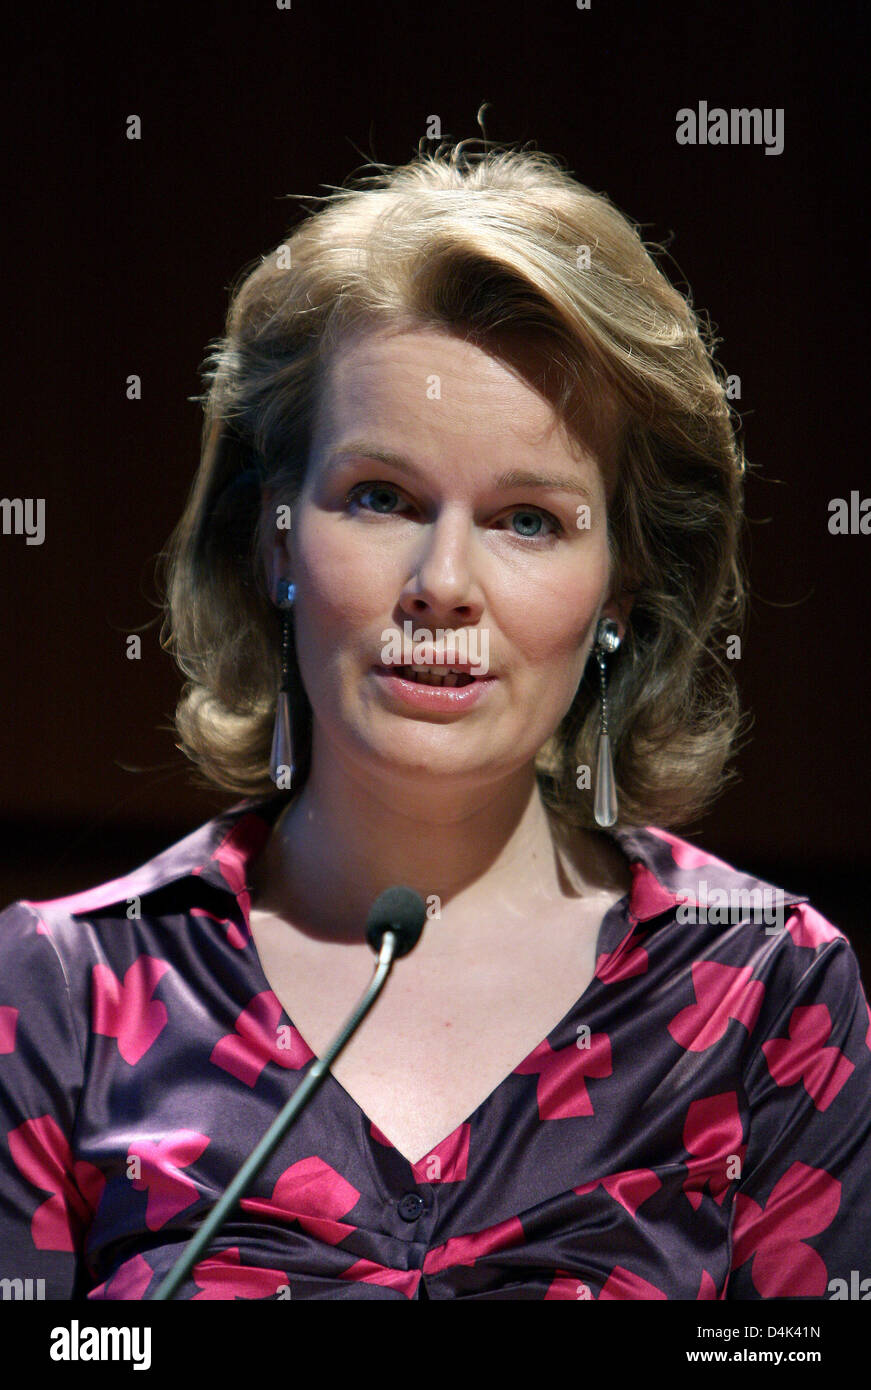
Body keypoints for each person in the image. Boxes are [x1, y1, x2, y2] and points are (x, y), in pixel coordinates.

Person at [1, 141, 868, 1302]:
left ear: (619, 587)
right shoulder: (63, 989)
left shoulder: (771, 991)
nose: (443, 581)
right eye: (381, 498)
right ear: (274, 539)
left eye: (527, 520)